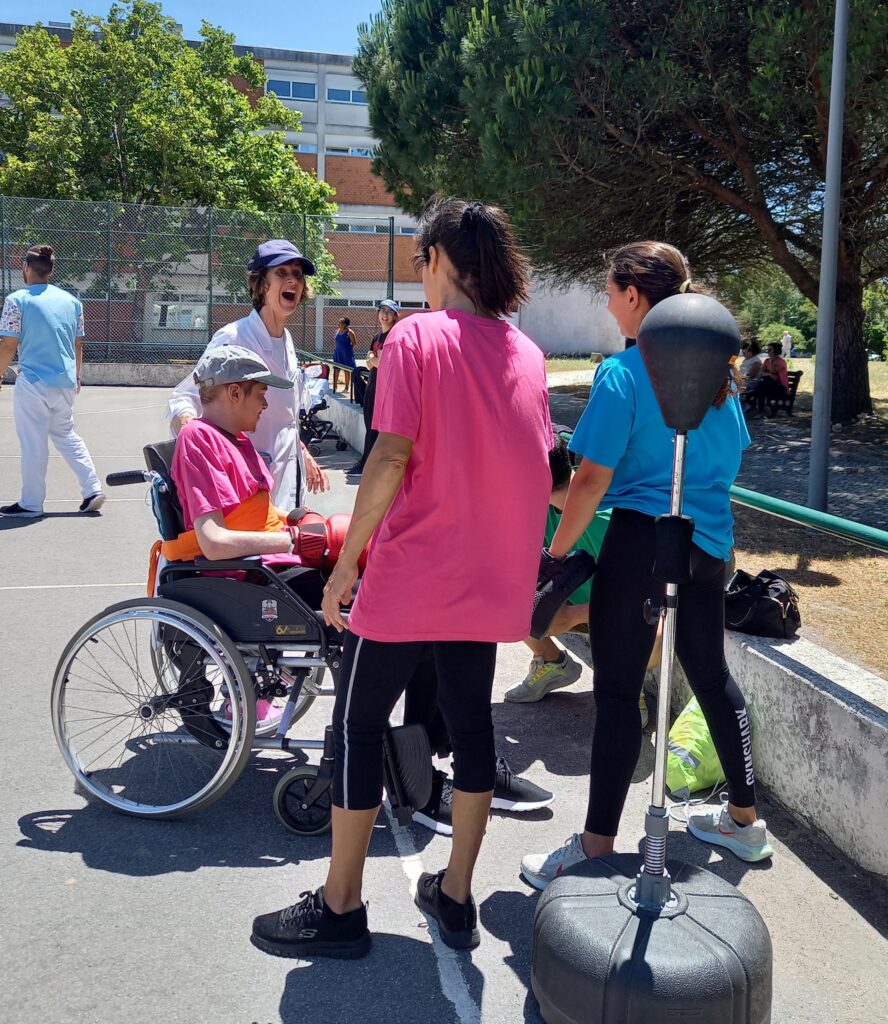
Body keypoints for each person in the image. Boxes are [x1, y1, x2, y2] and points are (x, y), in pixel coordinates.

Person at [251, 197, 552, 959]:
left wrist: (345, 566)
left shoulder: (417, 336)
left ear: (440, 260)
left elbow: (388, 456)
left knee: (357, 724)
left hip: (413, 573)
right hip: (486, 582)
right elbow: (536, 468)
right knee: (473, 729)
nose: (420, 278)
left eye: (421, 262)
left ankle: (341, 905)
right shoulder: (526, 352)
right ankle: (455, 897)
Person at [520, 241, 773, 893]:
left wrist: (554, 556)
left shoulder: (624, 372)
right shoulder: (722, 377)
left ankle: (594, 847)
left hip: (640, 544)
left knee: (615, 692)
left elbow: (589, 480)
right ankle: (745, 823)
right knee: (711, 677)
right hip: (709, 545)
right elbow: (732, 460)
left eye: (610, 292)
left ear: (636, 296)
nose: (607, 304)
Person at [504, 437, 658, 726]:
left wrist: (572, 615)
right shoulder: (538, 510)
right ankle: (552, 663)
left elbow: (643, 590)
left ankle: (627, 685)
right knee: (502, 593)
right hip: (580, 605)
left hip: (626, 609)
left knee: (657, 631)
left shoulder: (607, 514)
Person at [167, 239, 329, 509]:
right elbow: (184, 398)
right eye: (282, 273)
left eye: (298, 275)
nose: (293, 281)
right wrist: (195, 440)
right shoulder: (235, 337)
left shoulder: (286, 340)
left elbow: (283, 418)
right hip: (246, 488)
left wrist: (302, 452)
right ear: (262, 283)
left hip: (287, 481)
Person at [0, 244, 105, 518]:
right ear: (51, 271)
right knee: (67, 436)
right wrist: (77, 376)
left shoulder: (17, 300)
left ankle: (31, 503)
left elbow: (9, 344)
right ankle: (92, 489)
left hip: (33, 382)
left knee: (33, 442)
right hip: (66, 382)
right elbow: (77, 344)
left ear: (26, 268)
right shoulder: (72, 302)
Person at [345, 298, 400, 476]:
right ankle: (367, 462)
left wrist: (375, 359)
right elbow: (371, 363)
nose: (384, 315)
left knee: (377, 427)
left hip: (385, 388)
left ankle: (368, 464)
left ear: (394, 316)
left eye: (389, 312)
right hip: (373, 384)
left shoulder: (394, 336)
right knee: (369, 423)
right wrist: (374, 359)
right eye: (382, 311)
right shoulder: (377, 338)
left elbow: (387, 363)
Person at [753, 342, 789, 417]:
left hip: (781, 386)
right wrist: (769, 374)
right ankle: (761, 410)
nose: (768, 351)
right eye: (767, 349)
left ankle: (761, 411)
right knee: (762, 387)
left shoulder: (781, 361)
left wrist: (772, 360)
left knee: (761, 388)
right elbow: (761, 372)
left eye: (770, 350)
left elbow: (773, 371)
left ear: (775, 350)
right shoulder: (766, 360)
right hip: (769, 385)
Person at [332, 317, 357, 394]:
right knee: (336, 369)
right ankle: (334, 386)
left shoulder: (350, 332)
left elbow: (354, 343)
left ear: (345, 324)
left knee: (347, 370)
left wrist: (347, 349)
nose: (338, 323)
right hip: (338, 353)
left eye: (340, 322)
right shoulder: (337, 331)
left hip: (346, 354)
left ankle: (346, 388)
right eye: (338, 322)